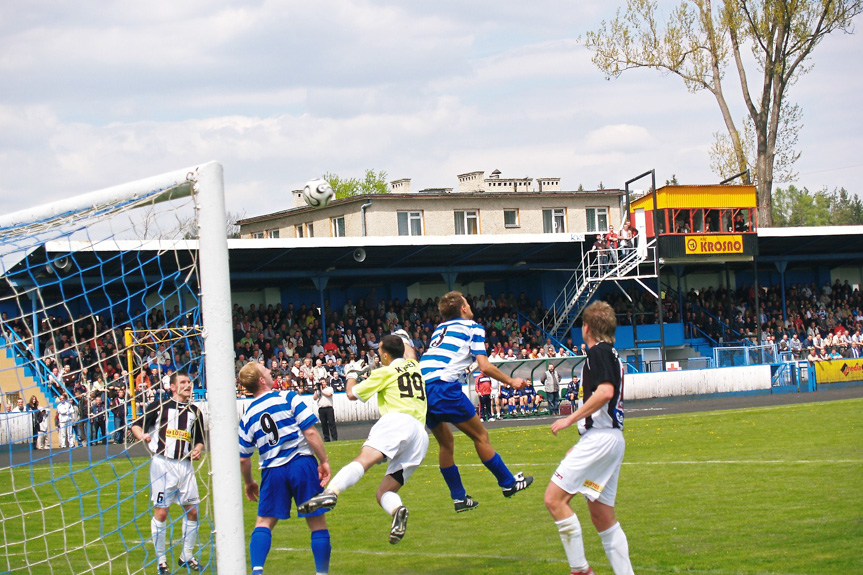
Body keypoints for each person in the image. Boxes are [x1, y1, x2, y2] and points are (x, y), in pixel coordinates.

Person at [298, 334, 429, 545]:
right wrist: (402, 336)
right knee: (384, 492)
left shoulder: (384, 373)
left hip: (397, 422)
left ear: (385, 355)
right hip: (420, 434)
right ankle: (398, 509)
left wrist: (352, 373)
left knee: (364, 460)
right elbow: (410, 352)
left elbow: (351, 394)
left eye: (379, 352)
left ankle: (332, 491)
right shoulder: (414, 366)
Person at [419, 291, 533, 513]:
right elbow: (485, 366)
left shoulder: (439, 329)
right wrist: (511, 381)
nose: (470, 307)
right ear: (463, 308)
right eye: (468, 303)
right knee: (481, 436)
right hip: (444, 387)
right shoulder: (473, 327)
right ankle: (508, 483)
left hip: (423, 388)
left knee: (446, 443)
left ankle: (459, 498)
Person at [544, 301, 634, 575]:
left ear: (587, 328)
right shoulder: (612, 354)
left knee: (554, 499)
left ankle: (581, 570)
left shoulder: (598, 353)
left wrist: (570, 418)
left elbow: (605, 392)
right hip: (607, 439)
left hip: (602, 440)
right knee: (601, 515)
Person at [237, 361, 332, 575]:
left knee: (263, 522)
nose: (270, 371)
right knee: (316, 521)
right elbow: (310, 432)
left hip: (272, 471)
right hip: (301, 463)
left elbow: (243, 458)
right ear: (262, 379)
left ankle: (257, 570)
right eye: (266, 370)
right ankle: (321, 573)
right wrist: (324, 460)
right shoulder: (287, 397)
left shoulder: (247, 415)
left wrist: (249, 482)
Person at [130, 371, 205, 574]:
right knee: (162, 512)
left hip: (185, 466)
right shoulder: (159, 406)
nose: (188, 385)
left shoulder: (195, 411)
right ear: (172, 387)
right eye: (183, 382)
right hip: (162, 465)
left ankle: (186, 555)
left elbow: (199, 439)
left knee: (193, 511)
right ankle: (161, 560)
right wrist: (143, 435)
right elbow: (135, 425)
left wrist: (197, 450)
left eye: (189, 382)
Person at [314, 377, 338, 442]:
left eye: (323, 382)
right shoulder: (318, 390)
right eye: (321, 383)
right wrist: (316, 390)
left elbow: (329, 394)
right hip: (321, 409)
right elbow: (315, 398)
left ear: (326, 382)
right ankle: (326, 438)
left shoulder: (329, 388)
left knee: (331, 423)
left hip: (329, 408)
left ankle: (334, 438)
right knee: (324, 424)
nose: (322, 384)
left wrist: (321, 390)